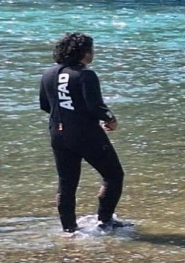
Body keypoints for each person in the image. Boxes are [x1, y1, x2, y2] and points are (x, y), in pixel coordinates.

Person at [39, 32, 128, 234]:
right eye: (91, 50)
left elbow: (45, 105)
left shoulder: (48, 74)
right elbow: (95, 106)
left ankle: (69, 229)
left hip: (58, 134)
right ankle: (105, 222)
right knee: (113, 176)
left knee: (67, 183)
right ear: (83, 52)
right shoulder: (85, 74)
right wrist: (111, 120)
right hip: (86, 134)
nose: (93, 53)